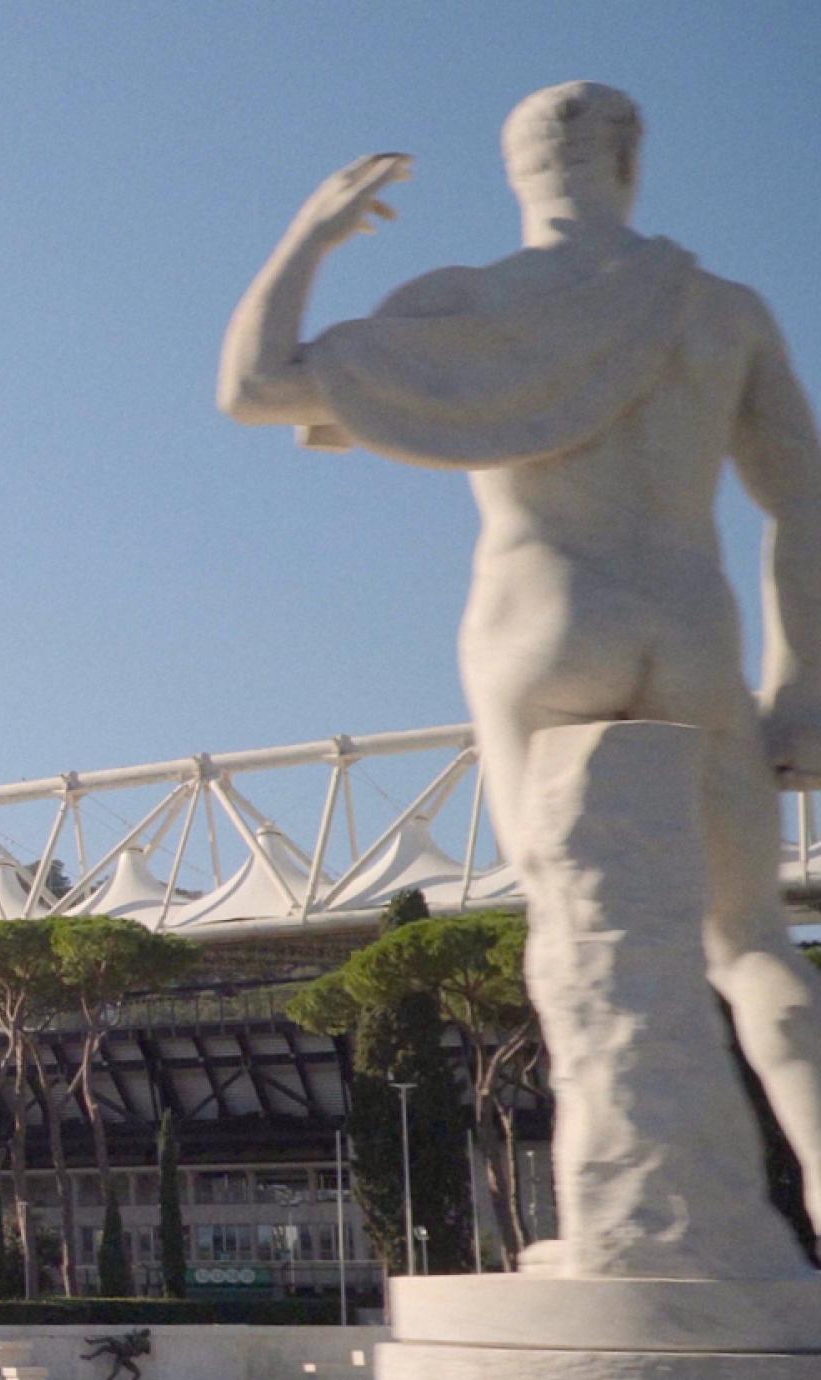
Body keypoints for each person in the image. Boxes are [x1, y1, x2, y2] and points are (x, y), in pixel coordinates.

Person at [221, 84, 821, 1265]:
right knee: (750, 941)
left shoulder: (474, 308)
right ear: (629, 163)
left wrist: (309, 234)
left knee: (568, 925)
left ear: (516, 173)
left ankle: (626, 1220)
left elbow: (253, 386)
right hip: (688, 630)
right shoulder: (721, 313)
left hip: (539, 624)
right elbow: (798, 496)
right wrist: (801, 678)